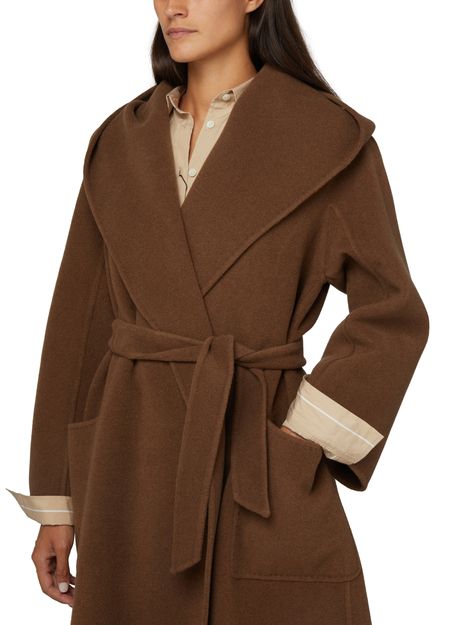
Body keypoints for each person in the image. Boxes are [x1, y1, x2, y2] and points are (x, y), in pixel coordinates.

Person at [6, 1, 429, 624]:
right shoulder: (120, 142)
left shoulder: (328, 138)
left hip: (257, 455)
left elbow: (392, 314)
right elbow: (78, 327)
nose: (173, 6)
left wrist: (300, 440)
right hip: (132, 464)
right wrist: (58, 502)